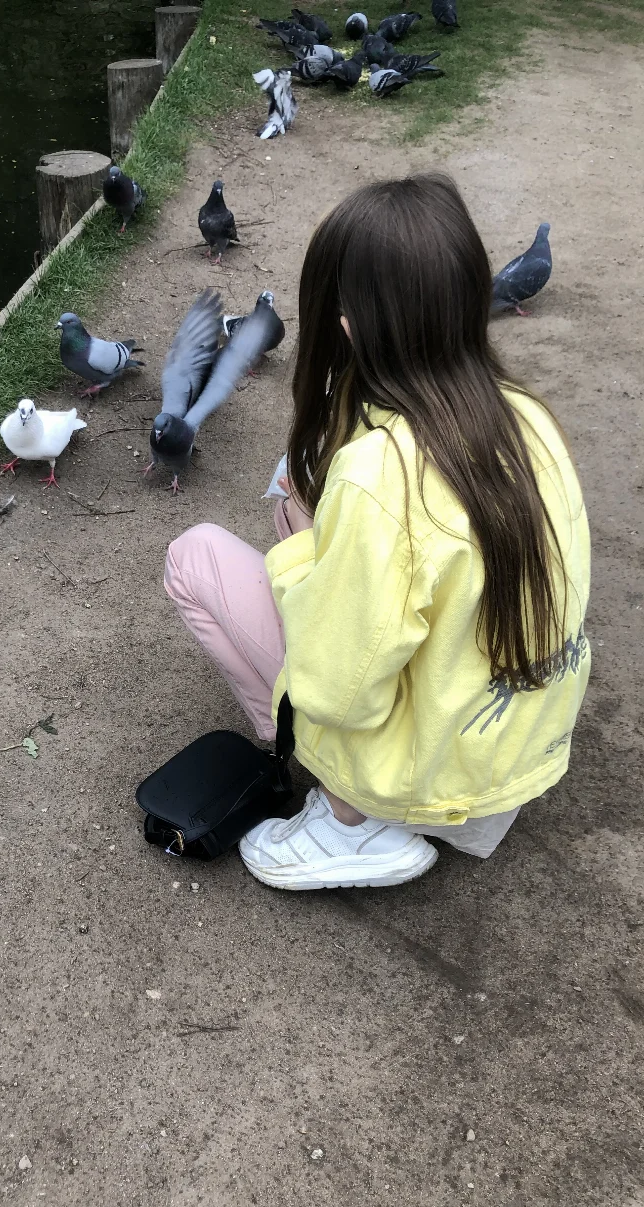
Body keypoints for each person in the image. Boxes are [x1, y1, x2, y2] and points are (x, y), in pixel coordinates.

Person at [164, 174, 591, 891]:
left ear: (350, 327)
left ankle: (349, 819)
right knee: (306, 528)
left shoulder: (380, 474)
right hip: (517, 750)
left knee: (194, 556)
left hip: (429, 780)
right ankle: (410, 795)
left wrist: (305, 556)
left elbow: (339, 690)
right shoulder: (528, 414)